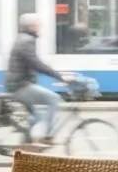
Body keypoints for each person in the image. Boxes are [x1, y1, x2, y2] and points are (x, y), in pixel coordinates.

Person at [4, 13, 70, 144]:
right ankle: (48, 137)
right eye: (38, 24)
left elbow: (33, 64)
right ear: (31, 26)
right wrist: (59, 76)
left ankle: (25, 145)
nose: (40, 26)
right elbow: (36, 64)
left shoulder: (23, 38)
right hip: (20, 86)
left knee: (37, 116)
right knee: (53, 99)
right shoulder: (26, 41)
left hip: (19, 84)